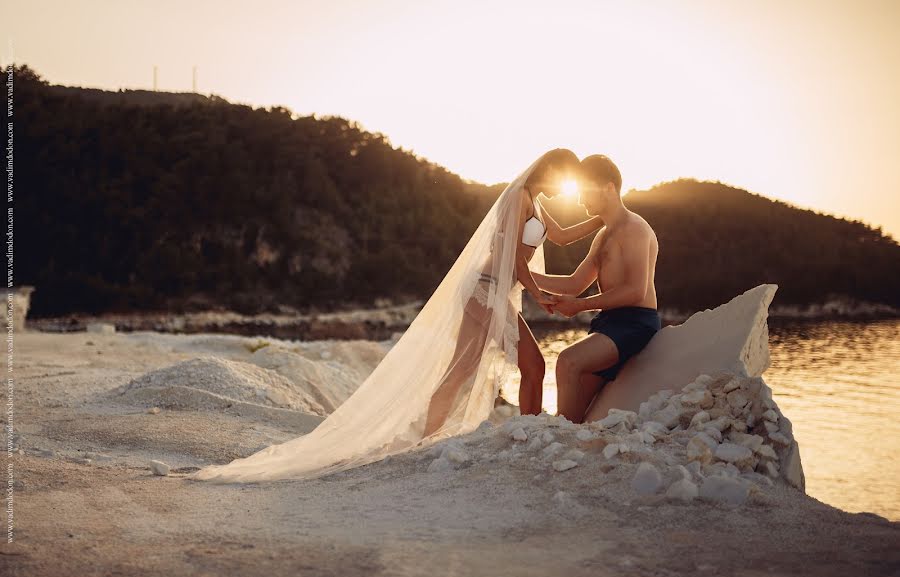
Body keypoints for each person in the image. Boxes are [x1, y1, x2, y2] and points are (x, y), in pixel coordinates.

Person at [188, 149, 603, 483]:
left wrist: (606, 219)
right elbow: (514, 260)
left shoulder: (539, 204)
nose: (565, 190)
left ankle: (426, 437)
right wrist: (542, 295)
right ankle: (528, 434)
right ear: (548, 172)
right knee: (532, 365)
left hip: (496, 292)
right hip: (484, 289)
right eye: (564, 180)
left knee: (460, 373)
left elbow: (564, 235)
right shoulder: (517, 199)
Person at [534, 154, 660, 424]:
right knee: (574, 411)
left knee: (567, 361)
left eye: (585, 192)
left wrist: (577, 306)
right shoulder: (603, 235)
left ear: (609, 188)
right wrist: (523, 275)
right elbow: (574, 283)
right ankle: (565, 439)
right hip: (607, 324)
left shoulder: (635, 228)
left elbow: (636, 291)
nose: (580, 201)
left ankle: (561, 438)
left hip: (635, 324)